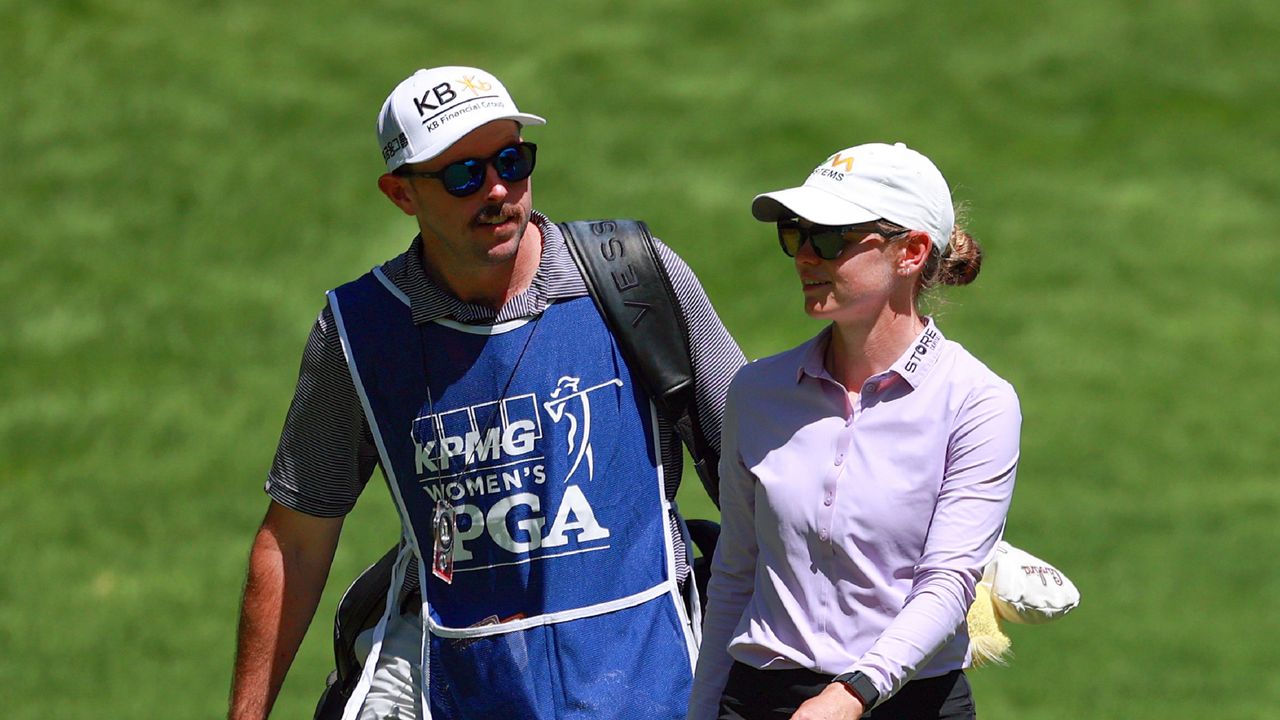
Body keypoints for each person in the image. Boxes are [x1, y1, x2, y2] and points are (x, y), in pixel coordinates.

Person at [227, 65, 745, 720]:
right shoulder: (360, 331)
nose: (498, 190)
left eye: (512, 160)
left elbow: (762, 469)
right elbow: (295, 542)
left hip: (658, 690)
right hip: (465, 696)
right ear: (401, 194)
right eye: (463, 175)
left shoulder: (634, 276)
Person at [688, 142, 1021, 720]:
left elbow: (947, 583)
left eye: (829, 238)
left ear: (911, 252)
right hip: (759, 698)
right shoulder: (756, 393)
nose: (804, 257)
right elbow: (736, 573)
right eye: (795, 234)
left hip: (906, 701)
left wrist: (851, 694)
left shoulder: (978, 403)